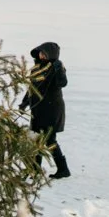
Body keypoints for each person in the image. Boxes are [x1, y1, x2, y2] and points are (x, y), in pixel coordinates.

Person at [23, 42, 70, 179]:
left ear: (51, 54)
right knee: (36, 138)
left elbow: (63, 83)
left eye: (44, 53)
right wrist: (24, 103)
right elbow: (32, 88)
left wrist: (58, 69)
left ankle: (63, 169)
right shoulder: (36, 68)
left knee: (50, 140)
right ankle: (36, 169)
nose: (41, 55)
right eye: (40, 52)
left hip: (52, 109)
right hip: (38, 109)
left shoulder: (56, 67)